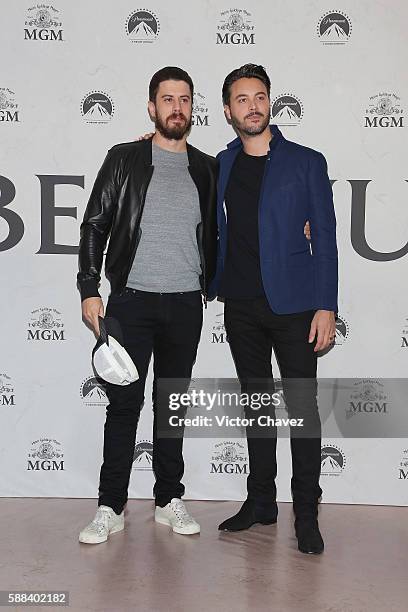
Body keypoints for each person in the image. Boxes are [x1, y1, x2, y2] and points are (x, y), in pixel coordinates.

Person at [77, 66, 217, 544]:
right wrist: (88, 287)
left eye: (184, 99)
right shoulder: (124, 158)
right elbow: (95, 222)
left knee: (171, 406)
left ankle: (167, 499)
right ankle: (109, 506)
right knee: (123, 406)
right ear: (152, 106)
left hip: (185, 304)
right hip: (131, 303)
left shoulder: (207, 167)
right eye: (167, 99)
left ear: (192, 107)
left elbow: (236, 219)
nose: (176, 107)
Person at [213, 64, 338, 554]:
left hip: (295, 307)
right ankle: (260, 501)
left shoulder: (307, 162)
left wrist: (326, 304)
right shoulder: (219, 164)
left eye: (260, 96)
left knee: (303, 412)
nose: (253, 106)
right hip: (240, 304)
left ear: (271, 102)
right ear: (228, 111)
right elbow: (169, 160)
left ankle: (306, 512)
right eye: (242, 99)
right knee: (257, 408)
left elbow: (325, 239)